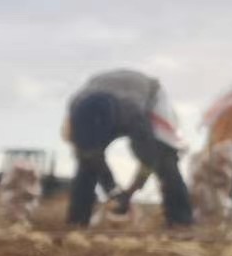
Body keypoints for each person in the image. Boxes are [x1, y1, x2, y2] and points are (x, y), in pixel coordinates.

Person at [61, 69, 192, 227]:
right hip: (99, 98)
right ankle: (77, 220)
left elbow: (149, 160)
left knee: (164, 157)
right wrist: (113, 191)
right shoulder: (75, 112)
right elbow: (90, 155)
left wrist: (130, 191)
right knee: (87, 162)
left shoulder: (134, 115)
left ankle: (181, 220)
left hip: (148, 92)